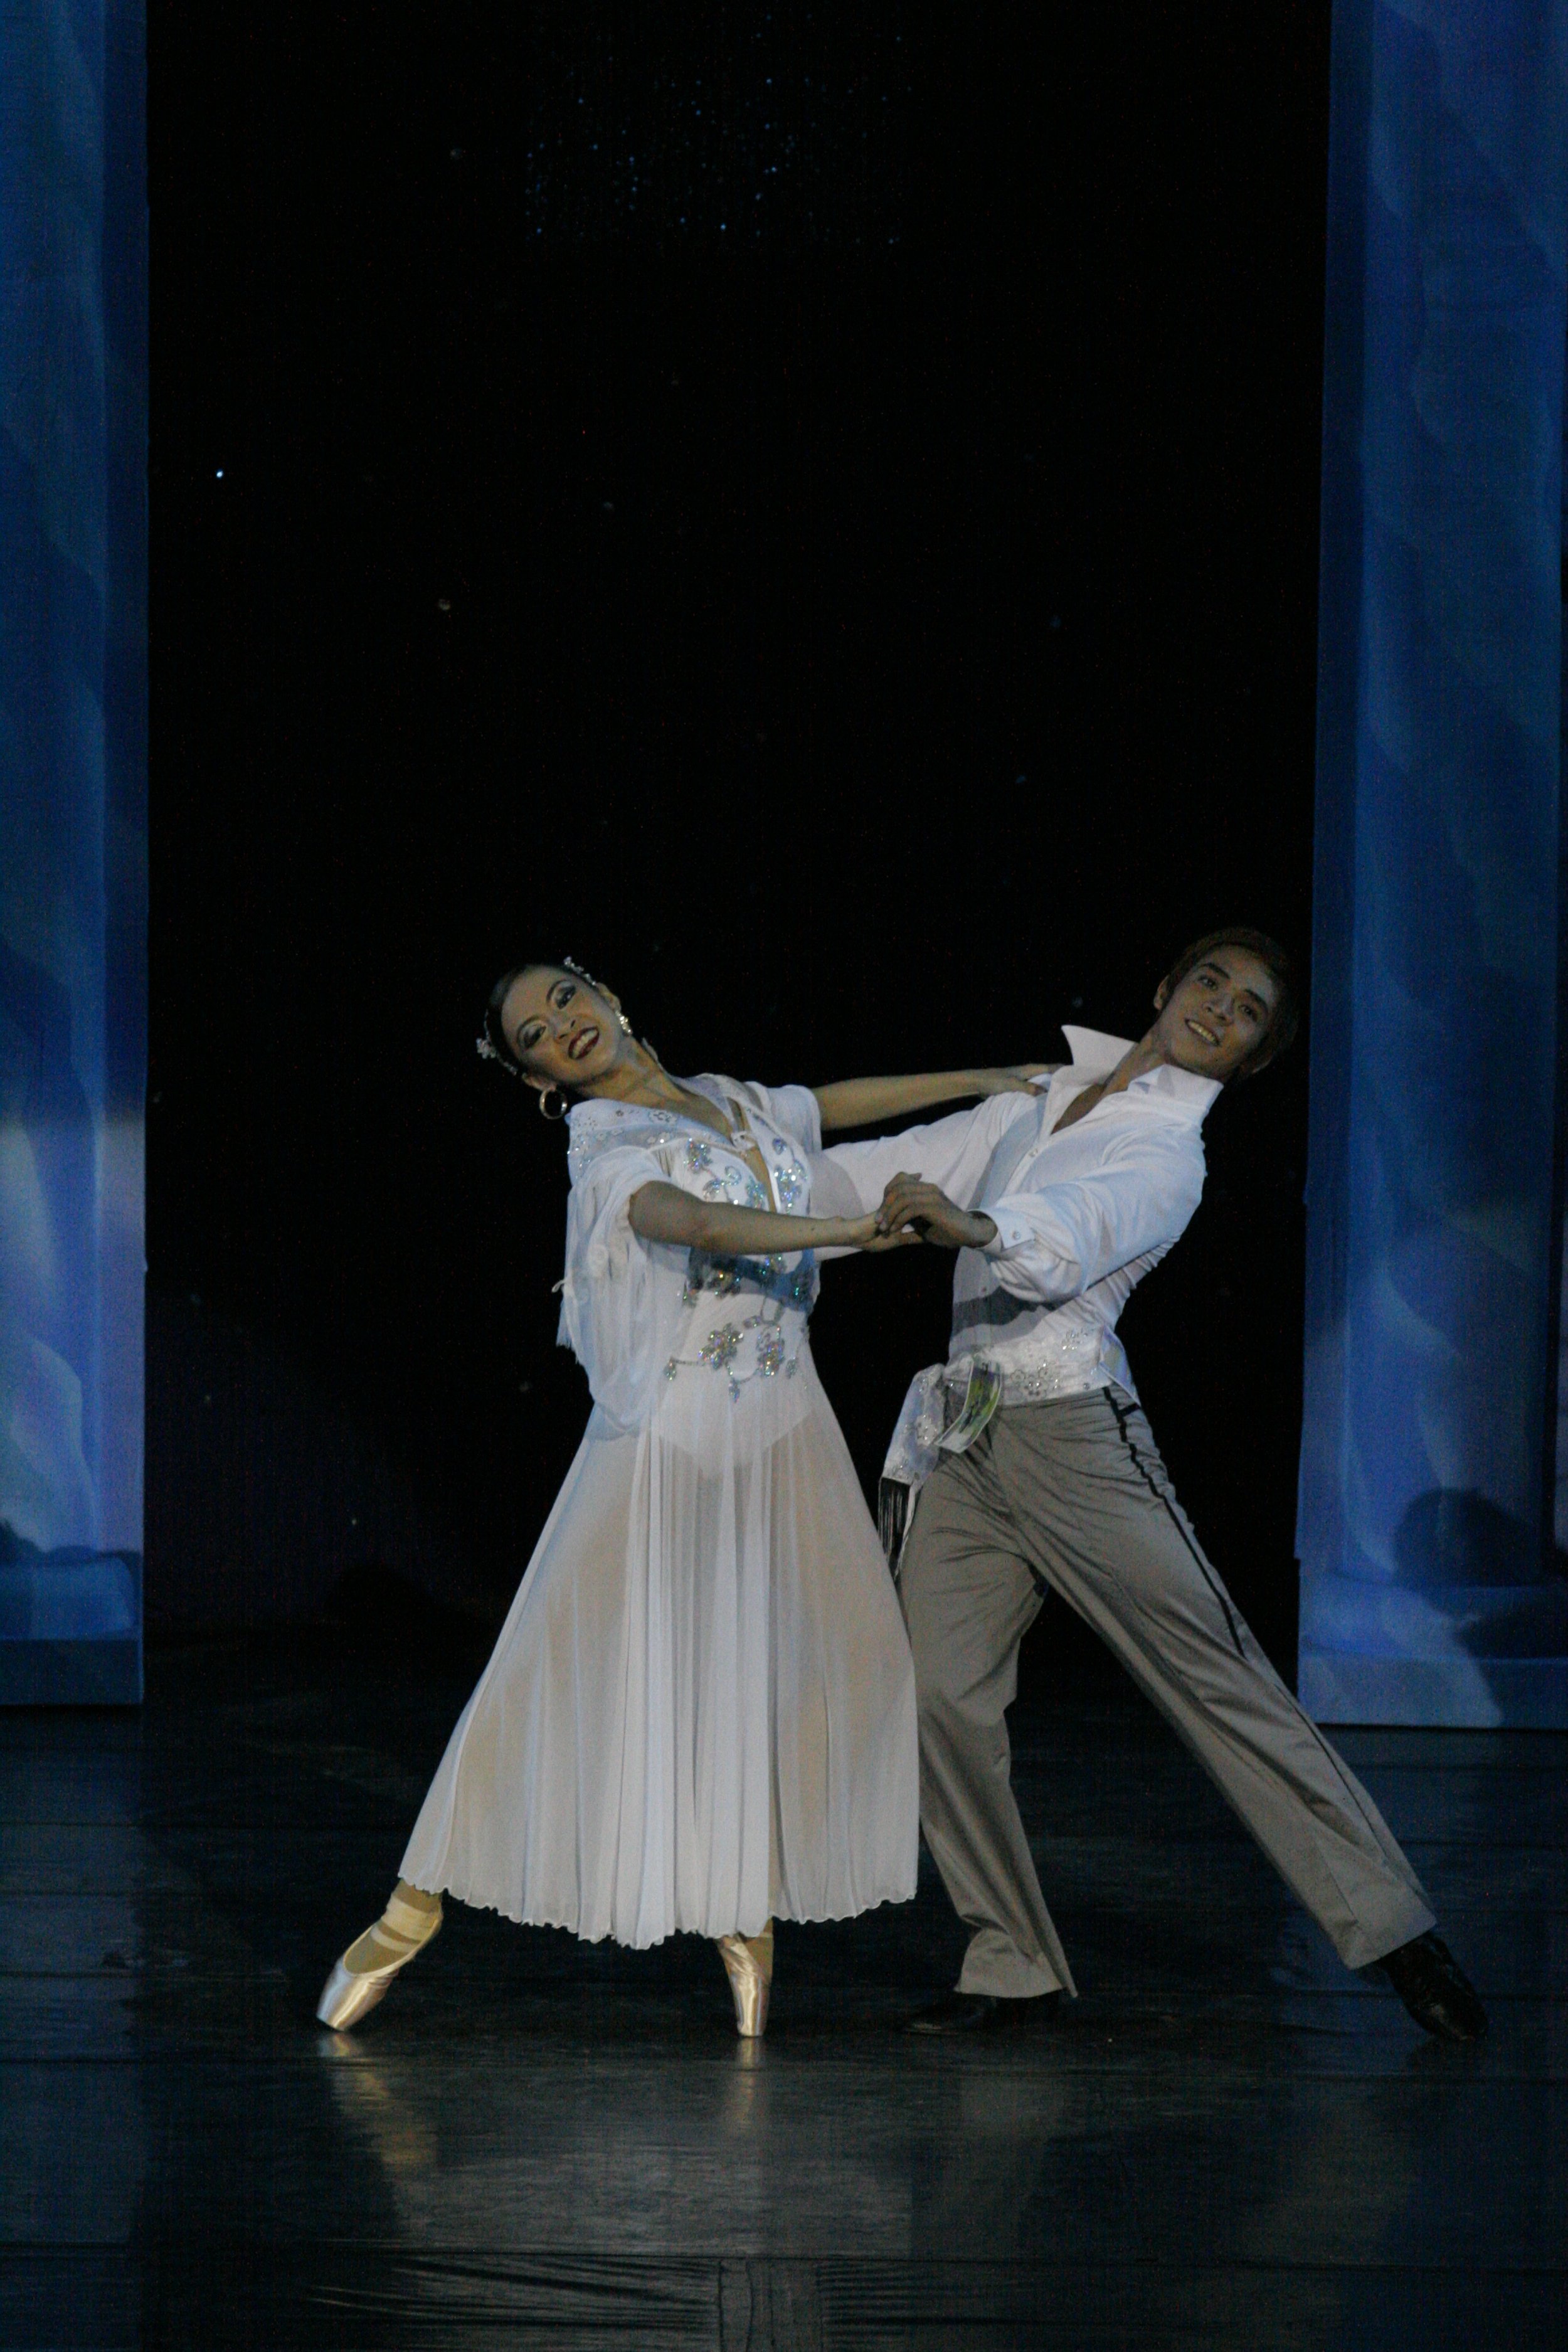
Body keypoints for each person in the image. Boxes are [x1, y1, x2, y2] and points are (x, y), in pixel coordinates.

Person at [315, 955, 1039, 2038]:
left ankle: (739, 1906)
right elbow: (695, 1222)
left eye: (563, 999)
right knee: (549, 1678)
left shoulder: (733, 1099)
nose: (560, 1026)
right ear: (537, 1081)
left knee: (834, 1662)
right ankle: (409, 1912)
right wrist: (852, 1234)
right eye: (533, 1037)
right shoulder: (602, 1150)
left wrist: (993, 1075)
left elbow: (826, 1108)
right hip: (669, 1438)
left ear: (603, 992)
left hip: (785, 1428)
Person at [820, 930, 1488, 2042]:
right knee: (934, 1695)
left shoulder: (1172, 1155)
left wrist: (977, 1224)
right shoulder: (1038, 1099)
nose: (1222, 1009)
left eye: (1250, 1013)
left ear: (1252, 1057)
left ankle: (1398, 1927)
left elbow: (1066, 1240)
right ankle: (1012, 1960)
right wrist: (723, 1178)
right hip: (965, 1440)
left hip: (1075, 1439)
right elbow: (870, 1170)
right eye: (1212, 983)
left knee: (1218, 1679)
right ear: (1167, 986)